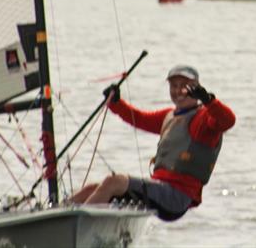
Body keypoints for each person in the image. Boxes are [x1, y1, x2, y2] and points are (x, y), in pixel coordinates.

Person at [69, 65, 235, 221]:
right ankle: (59, 218)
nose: (178, 91)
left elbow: (228, 120)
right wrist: (116, 103)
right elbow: (139, 118)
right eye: (174, 86)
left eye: (184, 86)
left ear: (196, 87)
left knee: (114, 182)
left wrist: (208, 100)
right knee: (92, 189)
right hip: (159, 188)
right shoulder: (169, 116)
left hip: (176, 197)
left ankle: (79, 223)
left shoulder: (205, 118)